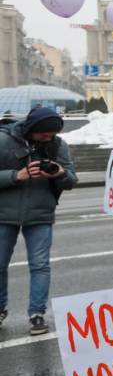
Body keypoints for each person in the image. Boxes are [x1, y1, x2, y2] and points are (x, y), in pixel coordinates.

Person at [0, 107, 77, 335]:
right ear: (31, 128)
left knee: (40, 266)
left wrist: (60, 174)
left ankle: (37, 314)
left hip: (41, 213)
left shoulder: (57, 145)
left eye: (52, 133)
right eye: (44, 133)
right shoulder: (4, 140)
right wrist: (17, 175)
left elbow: (71, 179)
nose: (48, 137)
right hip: (4, 213)